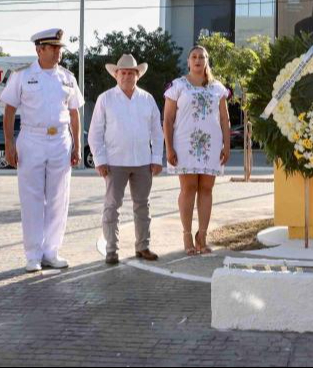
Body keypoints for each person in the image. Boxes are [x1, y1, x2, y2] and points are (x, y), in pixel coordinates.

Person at [1, 28, 85, 273]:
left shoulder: (67, 77)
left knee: (59, 197)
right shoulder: (22, 76)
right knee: (32, 199)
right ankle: (33, 254)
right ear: (39, 49)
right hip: (32, 138)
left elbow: (74, 113)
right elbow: (9, 110)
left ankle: (52, 251)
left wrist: (77, 144)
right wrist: (8, 143)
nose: (59, 52)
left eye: (60, 48)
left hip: (60, 139)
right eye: (54, 47)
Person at [88, 55, 164, 266]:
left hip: (142, 161)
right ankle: (111, 249)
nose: (127, 76)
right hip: (114, 161)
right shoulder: (105, 99)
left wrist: (157, 158)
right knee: (112, 206)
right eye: (123, 72)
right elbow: (95, 132)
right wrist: (100, 160)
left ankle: (143, 246)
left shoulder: (147, 99)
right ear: (116, 75)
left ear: (138, 75)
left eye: (132, 73)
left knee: (143, 206)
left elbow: (157, 132)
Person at [163, 46, 231, 255]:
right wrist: (169, 147)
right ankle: (186, 235)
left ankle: (202, 235)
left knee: (207, 189)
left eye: (202, 57)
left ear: (207, 61)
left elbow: (224, 118)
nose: (198, 60)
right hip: (185, 144)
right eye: (194, 57)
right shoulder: (178, 86)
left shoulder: (217, 87)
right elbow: (168, 118)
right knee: (188, 188)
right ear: (188, 61)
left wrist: (226, 144)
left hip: (211, 145)